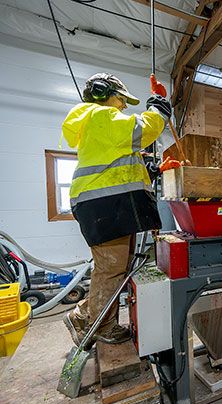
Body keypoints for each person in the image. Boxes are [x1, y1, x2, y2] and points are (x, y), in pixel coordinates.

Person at [61, 73, 179, 347]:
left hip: (107, 202)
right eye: (121, 99)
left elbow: (120, 166)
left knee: (115, 267)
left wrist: (154, 169)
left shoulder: (98, 124)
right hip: (103, 203)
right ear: (103, 93)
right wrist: (159, 103)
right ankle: (101, 325)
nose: (124, 106)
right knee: (112, 267)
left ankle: (83, 314)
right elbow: (145, 129)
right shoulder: (100, 116)